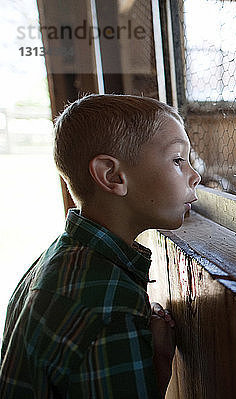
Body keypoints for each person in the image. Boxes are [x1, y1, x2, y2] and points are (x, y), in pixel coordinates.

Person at [0, 94, 200, 398]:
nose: (195, 176)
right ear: (113, 175)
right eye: (177, 159)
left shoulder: (57, 258)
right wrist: (160, 361)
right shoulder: (108, 304)